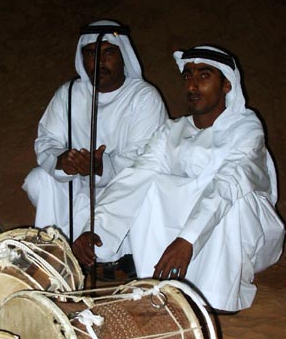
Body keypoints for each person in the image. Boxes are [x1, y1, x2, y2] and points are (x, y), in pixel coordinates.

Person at [73, 45, 284, 312]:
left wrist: (188, 240)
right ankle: (158, 280)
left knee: (232, 193)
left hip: (246, 231)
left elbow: (228, 183)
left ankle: (217, 295)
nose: (193, 86)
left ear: (227, 85)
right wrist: (95, 227)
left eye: (204, 76)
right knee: (150, 183)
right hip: (188, 233)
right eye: (188, 77)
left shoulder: (245, 128)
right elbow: (135, 177)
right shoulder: (172, 130)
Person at [23, 19, 167, 278]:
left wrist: (101, 166)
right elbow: (46, 141)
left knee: (148, 189)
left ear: (124, 56)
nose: (99, 61)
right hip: (79, 186)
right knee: (39, 179)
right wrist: (63, 160)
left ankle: (113, 258)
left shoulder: (144, 97)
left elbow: (146, 159)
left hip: (123, 190)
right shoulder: (69, 93)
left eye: (109, 52)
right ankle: (55, 254)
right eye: (90, 53)